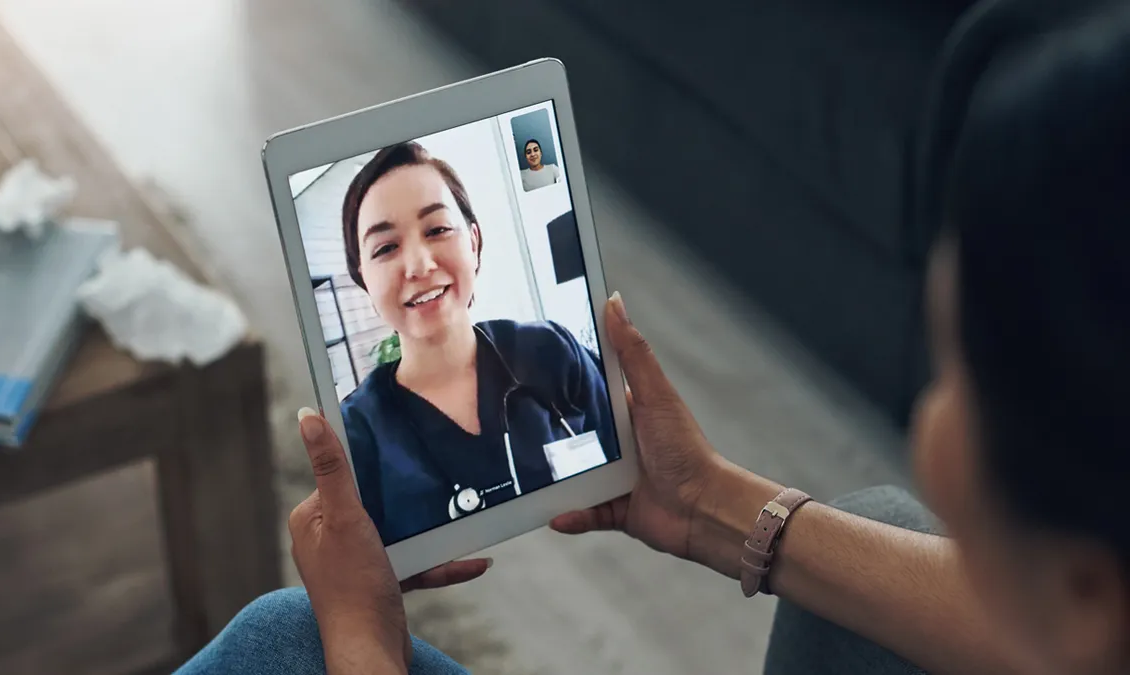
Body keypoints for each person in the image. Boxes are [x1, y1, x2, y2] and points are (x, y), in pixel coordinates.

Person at [176, 1, 1130, 673]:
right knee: (877, 511)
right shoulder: (369, 417)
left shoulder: (541, 349)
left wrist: (359, 641)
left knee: (283, 639)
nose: (418, 262)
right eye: (383, 244)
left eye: (956, 372)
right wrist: (711, 501)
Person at [336, 141, 618, 546]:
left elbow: (628, 481)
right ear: (364, 280)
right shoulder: (356, 433)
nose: (419, 265)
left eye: (436, 230)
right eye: (385, 248)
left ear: (473, 242)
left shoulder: (551, 352)